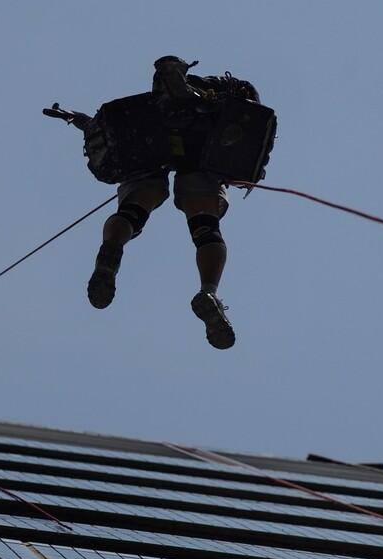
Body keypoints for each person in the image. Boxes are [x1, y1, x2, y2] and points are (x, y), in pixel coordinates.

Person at [86, 56, 266, 350]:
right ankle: (209, 292)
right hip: (201, 151)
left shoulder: (164, 100)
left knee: (133, 208)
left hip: (148, 138)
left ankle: (113, 247)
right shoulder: (237, 96)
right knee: (206, 227)